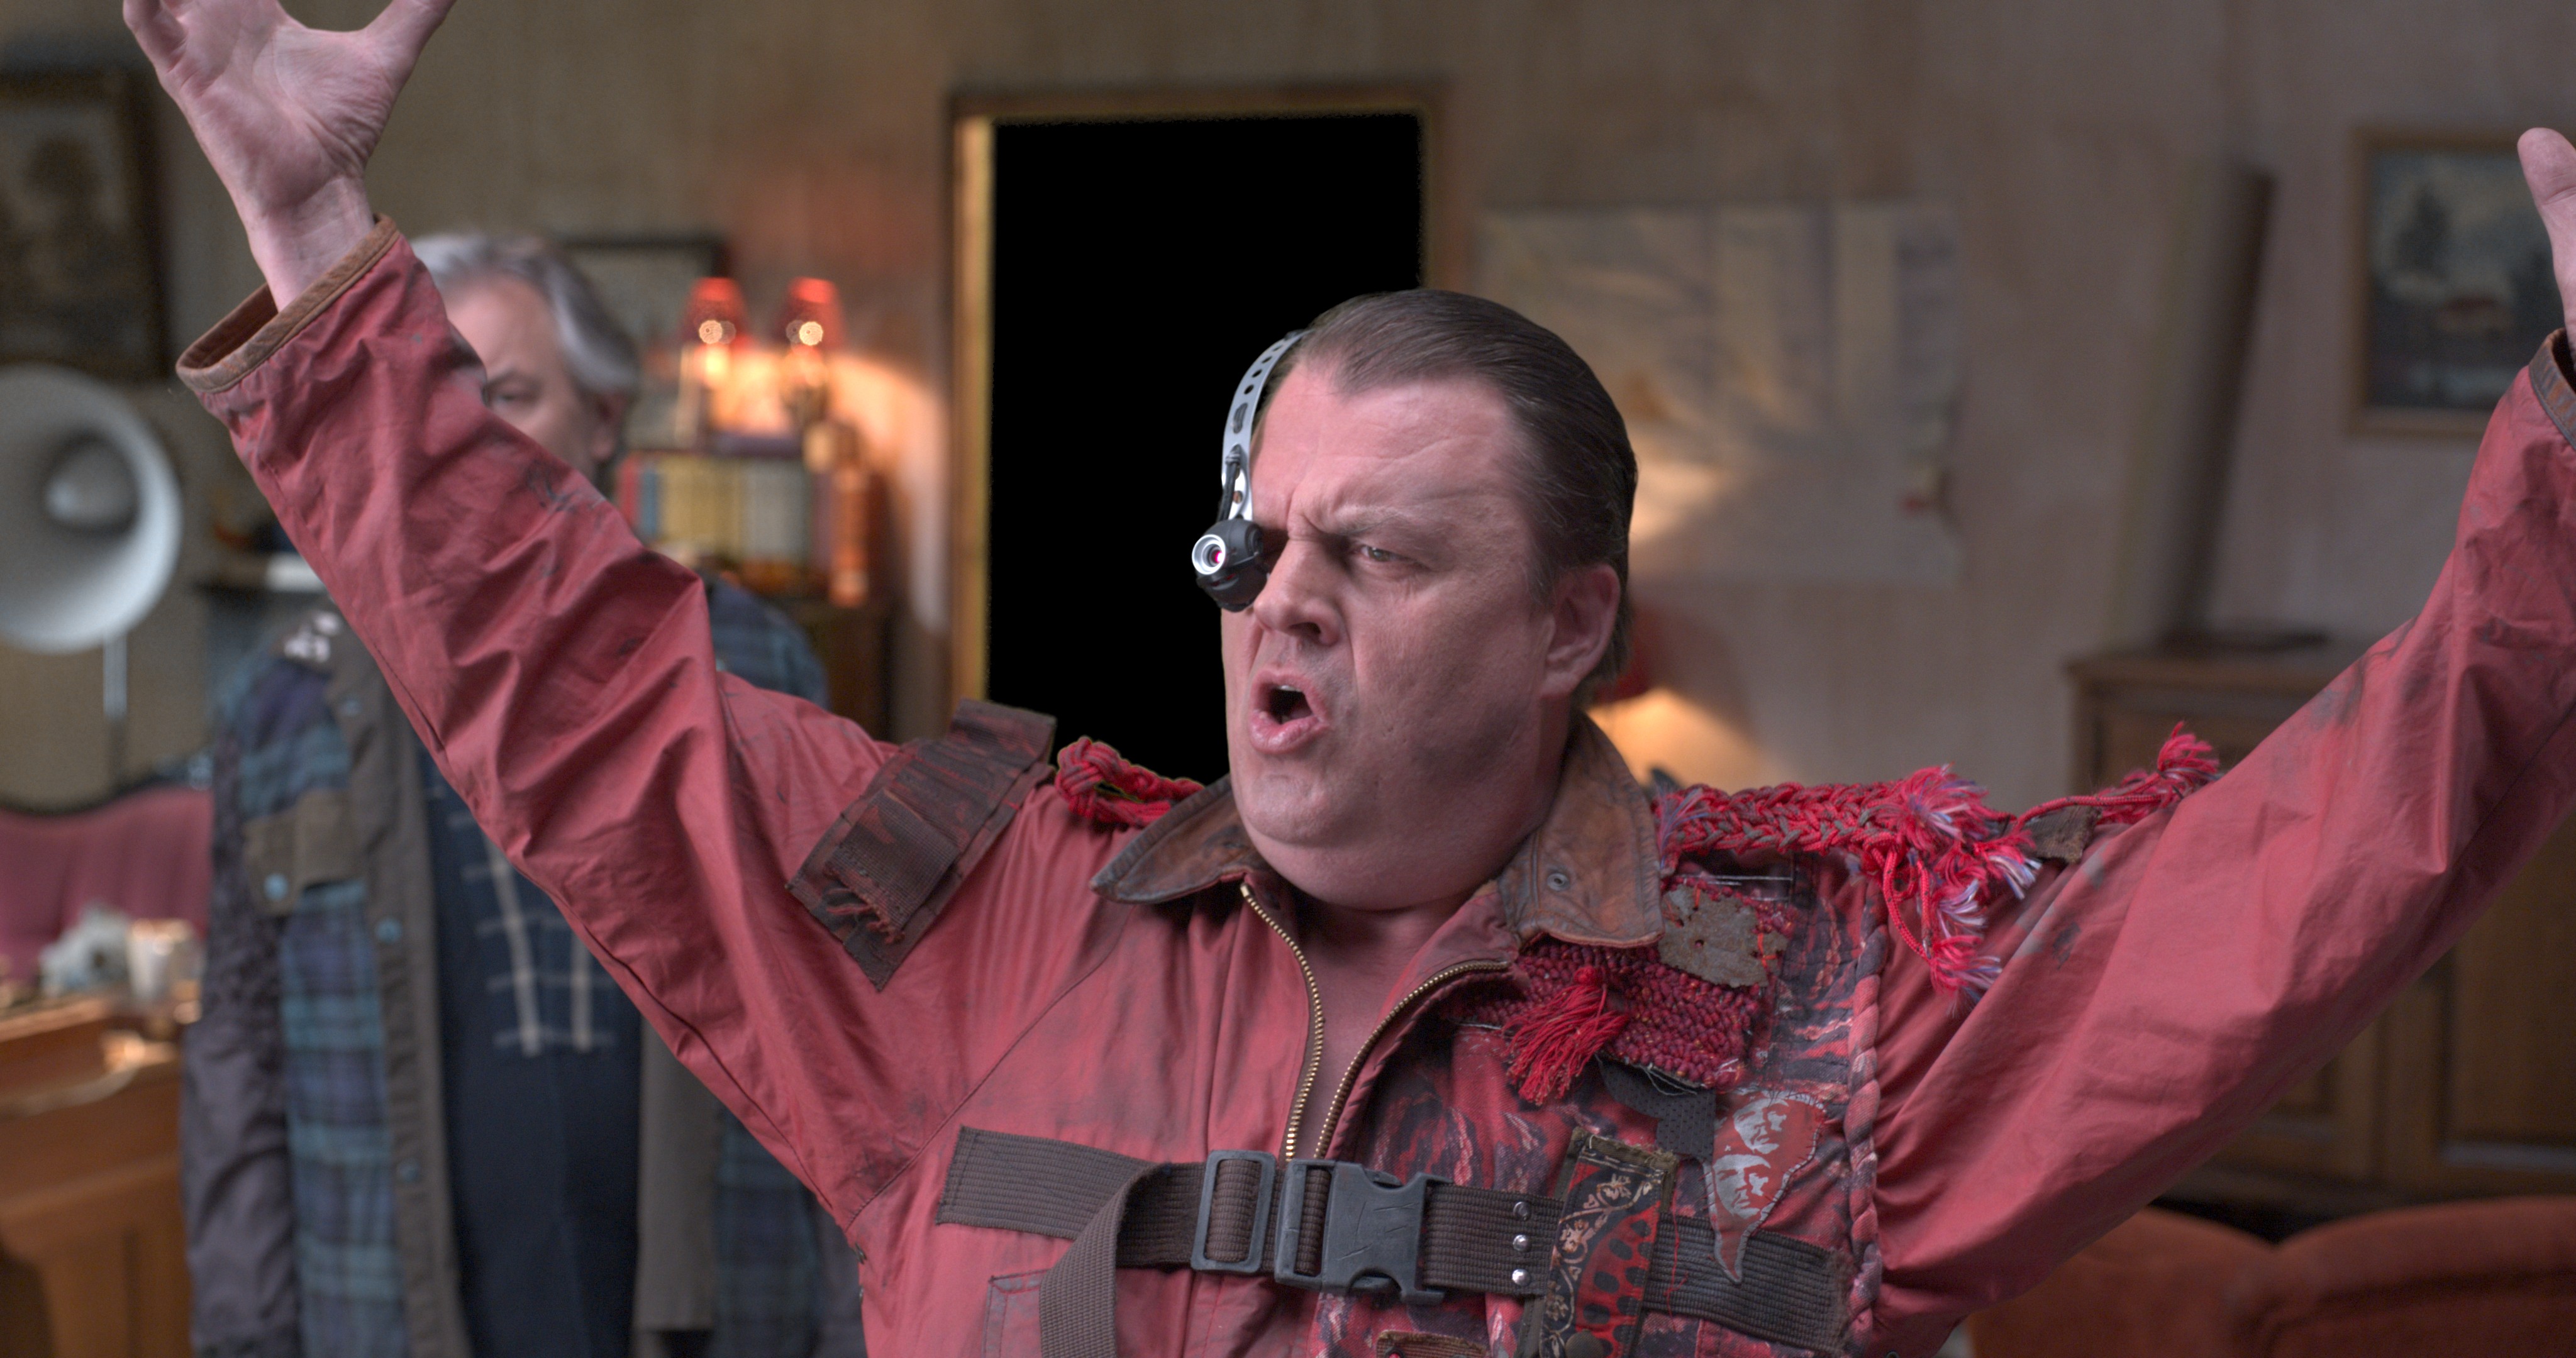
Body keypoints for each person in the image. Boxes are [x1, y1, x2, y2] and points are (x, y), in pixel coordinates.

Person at [127, 1, 2576, 1353]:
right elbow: (587, 698)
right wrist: (316, 242)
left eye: (1375, 556)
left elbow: (2346, 843)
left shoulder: (1839, 999)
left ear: (1568, 623)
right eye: (1258, 542)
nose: (1274, 602)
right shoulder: (988, 921)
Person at [179, 231, 865, 1358]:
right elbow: (238, 1059)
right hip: (389, 1314)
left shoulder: (750, 665)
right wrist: (246, 1336)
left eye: (507, 395)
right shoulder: (283, 710)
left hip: (722, 1302)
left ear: (603, 420)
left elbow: (849, 1028)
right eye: (430, 403)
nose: (464, 438)